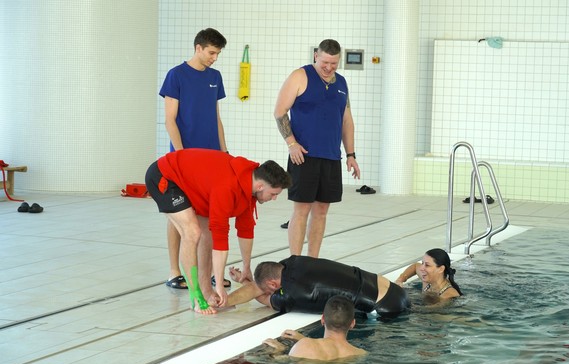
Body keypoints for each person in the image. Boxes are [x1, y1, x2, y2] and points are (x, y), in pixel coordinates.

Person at [145, 149, 291, 314]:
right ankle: (195, 297)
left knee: (207, 235)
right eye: (273, 194)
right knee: (192, 232)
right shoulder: (227, 187)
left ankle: (206, 291)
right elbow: (221, 238)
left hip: (193, 185)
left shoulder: (249, 186)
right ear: (260, 186)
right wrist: (220, 285)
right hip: (164, 176)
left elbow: (246, 230)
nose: (274, 198)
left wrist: (246, 267)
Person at [274, 39, 360, 258]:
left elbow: (346, 120)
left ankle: (312, 261)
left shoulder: (341, 83)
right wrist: (292, 144)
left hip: (331, 156)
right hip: (304, 156)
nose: (329, 67)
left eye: (334, 63)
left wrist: (350, 154)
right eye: (325, 62)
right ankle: (296, 260)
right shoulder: (300, 76)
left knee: (321, 211)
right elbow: (280, 112)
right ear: (316, 56)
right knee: (301, 210)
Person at [159, 28, 229, 290]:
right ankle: (174, 271)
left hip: (211, 155)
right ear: (198, 48)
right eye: (211, 52)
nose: (214, 58)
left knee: (209, 215)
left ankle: (207, 272)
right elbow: (170, 119)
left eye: (217, 54)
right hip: (184, 157)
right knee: (178, 214)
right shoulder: (176, 75)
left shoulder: (215, 77)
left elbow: (215, 117)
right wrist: (181, 155)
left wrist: (224, 153)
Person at [224, 255, 410, 317]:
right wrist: (248, 281)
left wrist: (245, 282)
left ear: (272, 283)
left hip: (385, 307)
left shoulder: (289, 296)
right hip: (393, 289)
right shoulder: (293, 261)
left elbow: (261, 295)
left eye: (270, 288)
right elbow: (260, 287)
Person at [263, 295, 367, 360]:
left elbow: (282, 363)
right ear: (352, 323)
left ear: (322, 319)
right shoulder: (361, 354)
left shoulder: (304, 346)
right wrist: (304, 339)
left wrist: (279, 350)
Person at [395, 248, 463, 302]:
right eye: (422, 263)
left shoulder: (448, 295)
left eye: (427, 265)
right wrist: (400, 279)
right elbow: (415, 266)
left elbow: (431, 311)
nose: (421, 268)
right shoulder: (428, 280)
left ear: (441, 269)